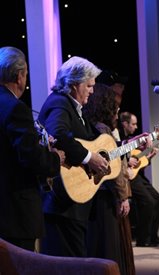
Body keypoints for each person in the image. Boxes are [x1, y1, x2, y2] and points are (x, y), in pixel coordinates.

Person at [38, 56, 109, 257]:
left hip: (73, 204)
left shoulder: (75, 108)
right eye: (89, 85)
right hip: (61, 203)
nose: (92, 90)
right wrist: (88, 158)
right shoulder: (60, 103)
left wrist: (131, 144)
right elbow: (57, 133)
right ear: (75, 84)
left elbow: (97, 144)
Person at [0, 46, 65, 251]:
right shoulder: (16, 108)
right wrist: (55, 158)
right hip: (15, 212)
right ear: (20, 76)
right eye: (26, 74)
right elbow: (31, 157)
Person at [83, 83, 135, 275]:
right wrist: (122, 197)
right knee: (110, 250)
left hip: (94, 195)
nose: (117, 109)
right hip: (106, 197)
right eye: (114, 105)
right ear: (105, 105)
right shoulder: (103, 130)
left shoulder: (89, 125)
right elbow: (112, 168)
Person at [120, 111, 159, 247]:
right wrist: (128, 160)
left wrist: (149, 156)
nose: (136, 127)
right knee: (148, 202)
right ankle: (142, 239)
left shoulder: (132, 140)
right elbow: (117, 154)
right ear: (125, 124)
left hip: (136, 175)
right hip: (127, 176)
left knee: (158, 199)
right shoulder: (120, 137)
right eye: (133, 124)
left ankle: (153, 237)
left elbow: (140, 161)